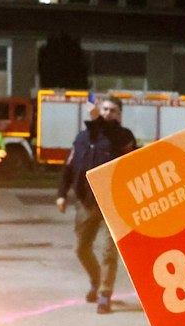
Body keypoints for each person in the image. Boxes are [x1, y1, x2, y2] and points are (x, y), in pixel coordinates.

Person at [56, 96, 135, 312]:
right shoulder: (83, 137)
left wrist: (98, 121)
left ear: (120, 115)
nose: (108, 113)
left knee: (109, 252)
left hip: (113, 203)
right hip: (86, 202)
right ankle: (96, 280)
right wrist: (61, 194)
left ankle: (104, 294)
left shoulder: (123, 137)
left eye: (113, 110)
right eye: (105, 109)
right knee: (81, 248)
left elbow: (131, 162)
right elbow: (69, 166)